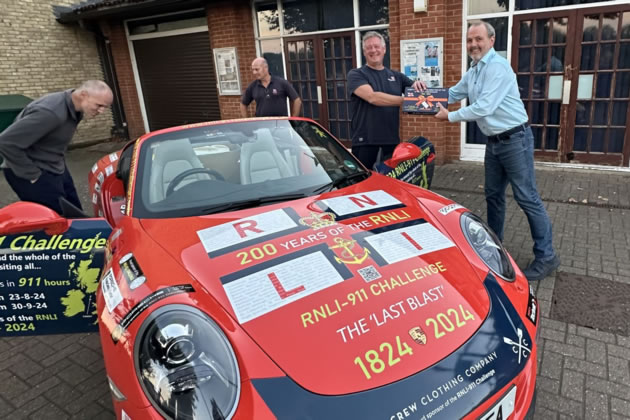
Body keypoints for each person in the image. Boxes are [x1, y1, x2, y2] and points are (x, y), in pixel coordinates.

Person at [434, 22, 559, 282]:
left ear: (491, 40)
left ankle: (547, 257)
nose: (473, 45)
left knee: (527, 198)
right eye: (469, 41)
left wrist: (450, 116)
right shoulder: (475, 69)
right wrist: (423, 97)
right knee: (493, 196)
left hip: (515, 140)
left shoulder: (498, 67)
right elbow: (454, 92)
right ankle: (495, 246)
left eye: (478, 39)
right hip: (494, 142)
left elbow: (484, 107)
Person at [0, 80, 113, 214]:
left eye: (105, 107)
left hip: (55, 166)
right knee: (56, 221)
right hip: (32, 172)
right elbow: (6, 142)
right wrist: (32, 175)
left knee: (76, 214)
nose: (101, 111)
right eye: (99, 105)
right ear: (83, 95)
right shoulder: (50, 112)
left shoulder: (76, 107)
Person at [347, 31, 426, 169]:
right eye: (369, 47)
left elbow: (417, 93)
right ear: (364, 52)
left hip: (391, 142)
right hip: (365, 142)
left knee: (389, 184)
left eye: (377, 46)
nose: (373, 50)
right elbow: (373, 97)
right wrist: (406, 100)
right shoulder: (356, 74)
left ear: (384, 50)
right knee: (365, 184)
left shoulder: (397, 76)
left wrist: (419, 86)